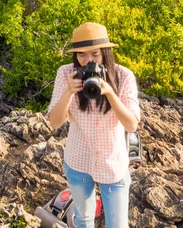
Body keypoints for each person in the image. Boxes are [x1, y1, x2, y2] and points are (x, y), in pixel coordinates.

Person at [48, 22, 140, 228]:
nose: (88, 61)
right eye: (81, 55)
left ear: (105, 53)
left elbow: (132, 124)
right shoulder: (66, 74)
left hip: (113, 163)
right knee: (84, 218)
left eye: (95, 54)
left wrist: (109, 92)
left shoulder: (123, 76)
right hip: (78, 161)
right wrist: (69, 92)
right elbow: (54, 122)